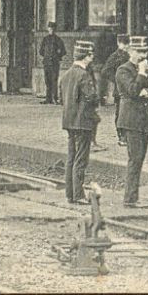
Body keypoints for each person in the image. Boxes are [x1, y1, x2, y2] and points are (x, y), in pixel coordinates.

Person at [114, 37, 148, 208]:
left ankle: (133, 197)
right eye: (138, 52)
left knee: (140, 158)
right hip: (131, 119)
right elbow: (132, 90)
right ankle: (130, 198)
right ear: (130, 52)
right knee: (135, 158)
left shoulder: (144, 70)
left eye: (144, 52)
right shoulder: (123, 70)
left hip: (144, 119)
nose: (142, 55)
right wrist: (142, 75)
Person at [59, 41, 99, 204]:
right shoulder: (84, 75)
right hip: (82, 122)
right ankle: (78, 194)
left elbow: (61, 97)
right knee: (81, 159)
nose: (92, 58)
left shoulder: (66, 74)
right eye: (91, 55)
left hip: (69, 121)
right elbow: (91, 97)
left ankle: (70, 193)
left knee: (71, 157)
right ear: (87, 56)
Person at [38, 22, 67, 105]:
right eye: (50, 28)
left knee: (54, 80)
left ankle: (54, 98)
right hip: (46, 63)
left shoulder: (58, 40)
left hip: (54, 63)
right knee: (47, 81)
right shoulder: (45, 39)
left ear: (55, 29)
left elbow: (63, 51)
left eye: (53, 29)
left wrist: (57, 55)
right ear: (48, 29)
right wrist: (47, 56)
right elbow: (41, 51)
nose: (51, 30)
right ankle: (48, 98)